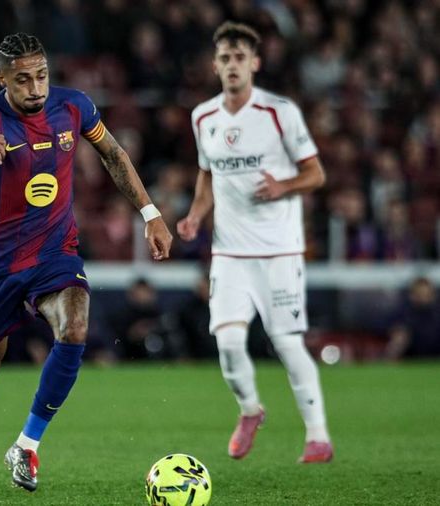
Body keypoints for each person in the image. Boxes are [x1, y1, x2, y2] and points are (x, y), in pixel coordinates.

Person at [0, 33, 172, 493]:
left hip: (55, 252)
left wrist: (151, 213)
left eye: (41, 76)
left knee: (75, 327)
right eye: (23, 80)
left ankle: (27, 446)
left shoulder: (74, 106)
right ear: (2, 79)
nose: (35, 87)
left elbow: (113, 153)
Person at [177, 22, 333, 464]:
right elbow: (207, 175)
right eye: (225, 58)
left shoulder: (279, 112)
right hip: (229, 253)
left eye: (240, 57)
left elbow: (316, 174)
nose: (232, 65)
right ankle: (250, 411)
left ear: (255, 63)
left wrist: (284, 186)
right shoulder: (203, 117)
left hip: (279, 251)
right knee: (228, 344)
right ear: (215, 66)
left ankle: (318, 437)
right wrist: (195, 215)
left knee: (286, 343)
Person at [385, 277, 440, 360]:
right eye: (420, 295)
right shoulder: (403, 314)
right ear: (412, 295)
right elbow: (396, 337)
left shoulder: (437, 314)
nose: (423, 298)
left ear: (433, 295)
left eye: (427, 295)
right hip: (410, 359)